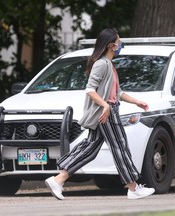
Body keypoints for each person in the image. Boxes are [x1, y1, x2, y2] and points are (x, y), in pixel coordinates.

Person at [45, 28, 155, 200]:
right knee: (120, 146)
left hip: (107, 110)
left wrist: (137, 102)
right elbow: (90, 89)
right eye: (119, 42)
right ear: (111, 45)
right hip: (107, 113)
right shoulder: (102, 64)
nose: (120, 45)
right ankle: (133, 187)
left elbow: (117, 93)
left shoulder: (109, 65)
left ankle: (58, 180)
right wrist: (105, 105)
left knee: (90, 149)